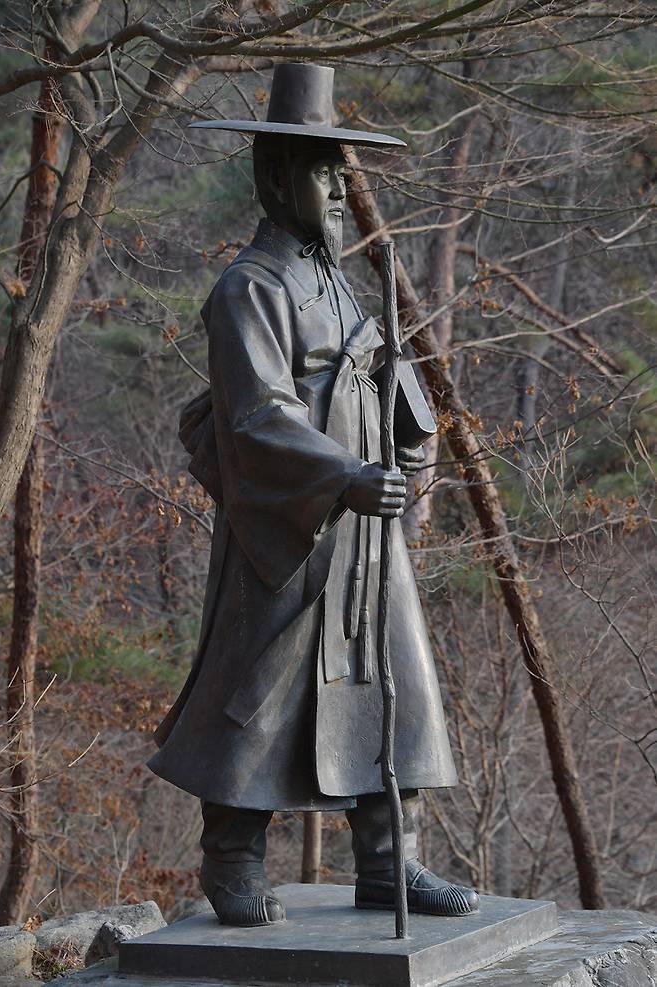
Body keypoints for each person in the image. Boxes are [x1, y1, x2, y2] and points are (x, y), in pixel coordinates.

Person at [148, 62, 479, 927]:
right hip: (290, 524)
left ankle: (388, 859)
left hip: (370, 524)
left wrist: (408, 425)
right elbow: (256, 416)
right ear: (275, 176)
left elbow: (375, 375)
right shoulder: (248, 288)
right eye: (322, 170)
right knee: (260, 684)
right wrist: (339, 475)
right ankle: (231, 857)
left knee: (393, 672)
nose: (337, 188)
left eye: (341, 170)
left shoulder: (335, 278)